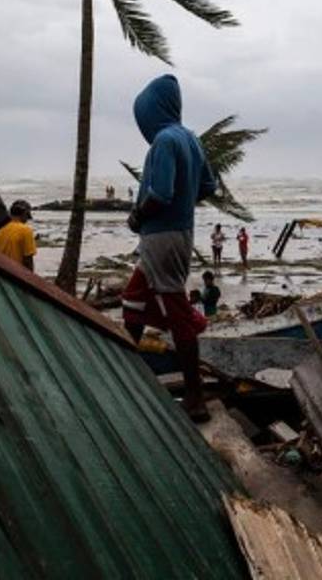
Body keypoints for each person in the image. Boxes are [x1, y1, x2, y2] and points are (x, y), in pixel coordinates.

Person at [121, 75, 216, 422]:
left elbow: (158, 194)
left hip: (161, 234)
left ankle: (195, 398)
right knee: (133, 301)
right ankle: (120, 377)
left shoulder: (163, 141)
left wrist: (136, 217)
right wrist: (184, 203)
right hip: (179, 233)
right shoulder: (190, 139)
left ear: (150, 112)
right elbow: (208, 185)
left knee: (175, 310)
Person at [0, 199, 37, 270]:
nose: (26, 220)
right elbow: (28, 259)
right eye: (27, 217)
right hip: (16, 273)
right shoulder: (26, 230)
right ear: (24, 214)